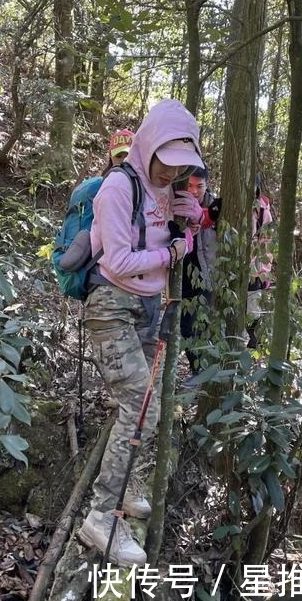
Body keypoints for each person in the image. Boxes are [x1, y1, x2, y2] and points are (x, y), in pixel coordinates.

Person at [77, 99, 205, 565]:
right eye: (165, 164)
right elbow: (119, 261)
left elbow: (173, 239)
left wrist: (185, 222)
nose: (171, 174)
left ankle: (124, 483)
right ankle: (101, 516)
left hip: (149, 306)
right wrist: (171, 254)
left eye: (179, 167)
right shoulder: (116, 189)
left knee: (139, 405)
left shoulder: (165, 191)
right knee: (143, 405)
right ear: (147, 146)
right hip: (111, 305)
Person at [180, 165, 220, 380]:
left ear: (207, 185)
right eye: (190, 185)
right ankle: (197, 371)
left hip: (206, 276)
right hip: (181, 276)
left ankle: (203, 374)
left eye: (199, 186)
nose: (194, 191)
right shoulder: (175, 204)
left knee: (204, 325)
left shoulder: (217, 206)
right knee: (185, 327)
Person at [247, 177, 274, 349]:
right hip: (235, 267)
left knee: (253, 312)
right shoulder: (230, 205)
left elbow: (267, 244)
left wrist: (265, 271)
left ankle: (251, 348)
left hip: (254, 270)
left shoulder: (263, 212)